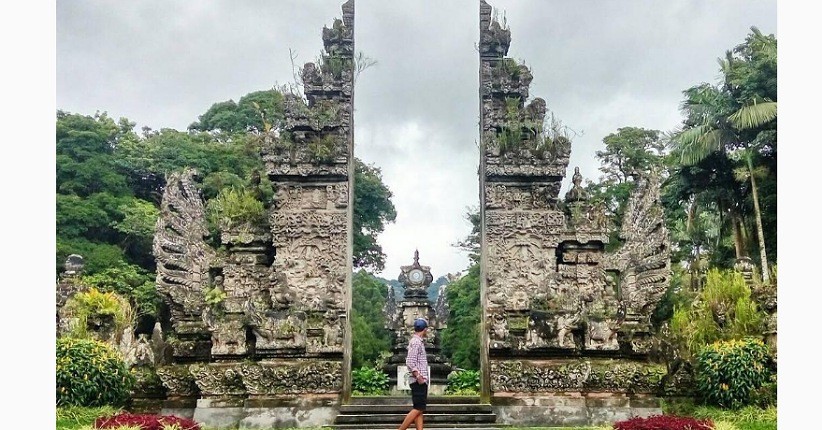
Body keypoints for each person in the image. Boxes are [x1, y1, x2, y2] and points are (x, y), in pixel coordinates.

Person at [399, 318, 429, 430]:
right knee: (418, 409)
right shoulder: (416, 342)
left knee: (419, 408)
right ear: (424, 330)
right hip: (418, 380)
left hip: (420, 380)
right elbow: (410, 361)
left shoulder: (417, 341)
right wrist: (418, 376)